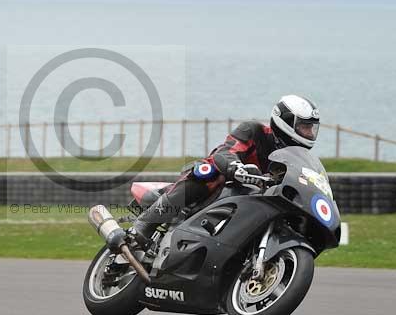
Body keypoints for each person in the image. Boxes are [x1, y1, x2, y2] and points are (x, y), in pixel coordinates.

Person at [130, 95, 320, 247]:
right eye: (304, 127)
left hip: (257, 202)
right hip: (228, 184)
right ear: (286, 122)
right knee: (208, 171)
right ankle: (145, 225)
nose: (309, 134)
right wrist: (236, 167)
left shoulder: (297, 157)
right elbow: (226, 151)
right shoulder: (254, 130)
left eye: (311, 128)